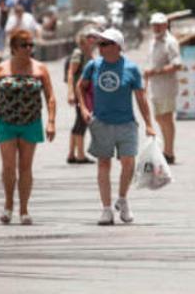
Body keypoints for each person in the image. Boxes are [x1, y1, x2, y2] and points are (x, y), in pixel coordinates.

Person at [77, 28, 156, 225]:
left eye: (104, 44)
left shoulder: (131, 68)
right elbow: (80, 86)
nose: (100, 48)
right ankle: (106, 209)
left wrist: (149, 124)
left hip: (126, 123)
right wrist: (84, 109)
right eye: (99, 44)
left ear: (117, 47)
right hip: (101, 122)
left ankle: (122, 199)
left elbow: (141, 97)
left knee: (128, 163)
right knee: (104, 164)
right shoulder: (93, 66)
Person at [0, 30, 56, 225]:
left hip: (31, 122)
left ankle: (24, 209)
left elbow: (50, 97)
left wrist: (51, 121)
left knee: (25, 167)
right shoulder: (0, 70)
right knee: (8, 166)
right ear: (14, 48)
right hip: (6, 122)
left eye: (31, 45)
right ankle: (8, 205)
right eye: (24, 45)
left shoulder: (40, 69)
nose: (29, 49)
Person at [144, 13, 182, 164]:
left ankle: (169, 152)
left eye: (159, 25)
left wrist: (156, 72)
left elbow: (177, 64)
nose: (156, 27)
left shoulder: (170, 42)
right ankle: (167, 149)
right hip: (155, 86)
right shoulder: (152, 41)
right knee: (160, 118)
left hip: (166, 86)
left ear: (166, 25)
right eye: (154, 25)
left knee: (166, 117)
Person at [66, 26, 97, 164]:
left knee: (79, 121)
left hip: (87, 92)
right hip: (80, 92)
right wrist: (71, 93)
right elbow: (71, 74)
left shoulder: (89, 53)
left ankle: (72, 153)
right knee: (82, 121)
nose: (93, 40)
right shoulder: (79, 53)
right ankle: (80, 155)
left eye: (94, 37)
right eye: (90, 37)